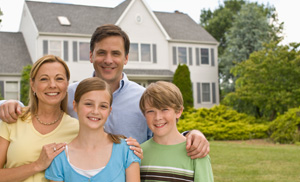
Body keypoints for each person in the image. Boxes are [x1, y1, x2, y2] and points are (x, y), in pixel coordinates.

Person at [0, 24, 209, 158]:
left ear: (126, 58)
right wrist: (9, 105)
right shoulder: (70, 94)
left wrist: (192, 134)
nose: (108, 60)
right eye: (101, 53)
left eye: (116, 54)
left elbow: (165, 135)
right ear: (91, 56)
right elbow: (39, 110)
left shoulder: (143, 98)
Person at [45, 77, 141, 182]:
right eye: (88, 104)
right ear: (75, 105)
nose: (95, 111)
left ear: (109, 111)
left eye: (103, 106)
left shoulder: (126, 151)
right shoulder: (60, 158)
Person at [0, 55, 79, 182]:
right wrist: (37, 165)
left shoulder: (77, 128)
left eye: (59, 78)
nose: (52, 85)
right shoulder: (13, 119)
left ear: (67, 84)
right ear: (33, 84)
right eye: (44, 79)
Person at [139, 81, 215, 182]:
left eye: (164, 109)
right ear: (144, 114)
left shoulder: (196, 152)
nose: (158, 117)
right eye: (150, 111)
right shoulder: (139, 153)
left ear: (178, 111)